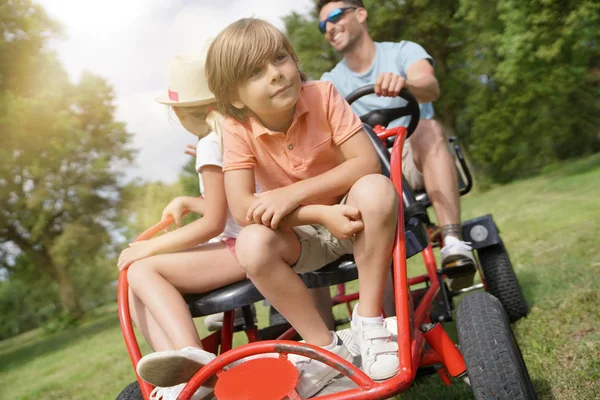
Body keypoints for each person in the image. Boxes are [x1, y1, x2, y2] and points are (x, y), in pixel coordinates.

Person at [205, 18, 401, 398]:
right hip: (303, 235)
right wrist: (316, 213)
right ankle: (326, 349)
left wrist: (294, 195)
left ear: (294, 60)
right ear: (235, 97)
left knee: (376, 188)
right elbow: (244, 209)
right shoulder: (236, 127)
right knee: (251, 243)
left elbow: (365, 163)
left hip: (358, 217)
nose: (276, 75)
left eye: (279, 59)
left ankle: (370, 321)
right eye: (255, 72)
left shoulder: (323, 94)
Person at [316, 0, 477, 290]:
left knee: (428, 127)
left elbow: (430, 88)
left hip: (411, 157)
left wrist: (405, 85)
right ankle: (384, 305)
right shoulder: (330, 82)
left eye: (336, 16)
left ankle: (453, 242)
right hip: (368, 170)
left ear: (361, 14)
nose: (329, 27)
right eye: (322, 24)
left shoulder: (403, 51)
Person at [117, 48, 247, 400]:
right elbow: (229, 205)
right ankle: (177, 376)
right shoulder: (234, 131)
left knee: (141, 270)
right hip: (250, 238)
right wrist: (190, 200)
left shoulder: (210, 144)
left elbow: (214, 222)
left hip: (246, 247)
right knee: (134, 280)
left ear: (179, 112)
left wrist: (150, 246)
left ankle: (198, 368)